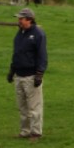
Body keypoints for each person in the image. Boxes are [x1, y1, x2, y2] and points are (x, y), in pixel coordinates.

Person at [7, 8, 47, 141]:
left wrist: (39, 74)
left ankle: (36, 133)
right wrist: (12, 70)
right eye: (18, 18)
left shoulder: (38, 34)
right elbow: (16, 53)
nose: (18, 21)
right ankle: (25, 131)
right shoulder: (20, 33)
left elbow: (42, 55)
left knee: (34, 106)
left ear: (29, 19)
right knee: (22, 106)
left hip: (31, 76)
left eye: (21, 19)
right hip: (19, 75)